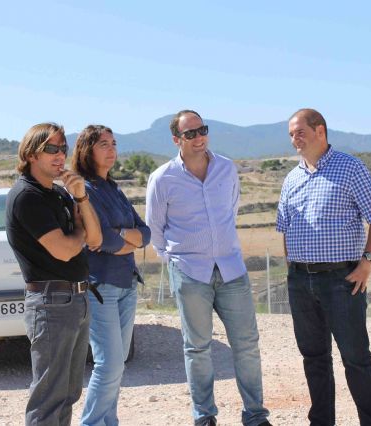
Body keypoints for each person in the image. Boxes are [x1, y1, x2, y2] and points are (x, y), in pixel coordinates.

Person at [145, 110, 271, 426]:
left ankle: (255, 416)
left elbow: (231, 208)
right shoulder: (162, 178)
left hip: (231, 269)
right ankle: (204, 417)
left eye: (202, 130)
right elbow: (155, 229)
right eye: (190, 133)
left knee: (246, 345)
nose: (199, 137)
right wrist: (174, 260)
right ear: (176, 139)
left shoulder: (226, 168)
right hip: (190, 272)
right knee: (197, 348)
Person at [276, 108, 371, 426]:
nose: (295, 139)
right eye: (291, 134)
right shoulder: (292, 178)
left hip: (342, 278)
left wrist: (367, 262)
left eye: (300, 132)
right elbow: (285, 228)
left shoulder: (350, 167)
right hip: (300, 281)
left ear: (320, 131)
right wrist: (292, 270)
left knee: (356, 358)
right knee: (314, 358)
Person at [5, 122, 102, 425]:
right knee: (49, 399)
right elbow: (64, 250)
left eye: (63, 148)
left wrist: (81, 198)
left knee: (68, 393)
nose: (61, 155)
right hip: (51, 303)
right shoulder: (27, 196)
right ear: (31, 154)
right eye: (51, 148)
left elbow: (95, 238)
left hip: (75, 299)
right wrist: (79, 232)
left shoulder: (59, 194)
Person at [71, 124, 151, 426]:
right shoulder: (85, 191)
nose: (112, 150)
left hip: (127, 283)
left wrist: (123, 236)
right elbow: (102, 240)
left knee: (117, 365)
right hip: (101, 287)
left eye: (114, 143)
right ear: (87, 150)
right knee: (109, 364)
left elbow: (146, 233)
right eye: (103, 144)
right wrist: (125, 239)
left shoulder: (114, 188)